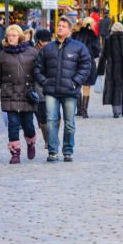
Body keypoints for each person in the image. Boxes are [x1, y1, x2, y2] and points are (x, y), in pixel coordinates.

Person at [34, 17, 92, 162]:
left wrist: (75, 82)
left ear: (70, 30)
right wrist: (44, 82)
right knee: (51, 121)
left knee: (69, 123)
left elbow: (86, 65)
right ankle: (52, 151)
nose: (60, 27)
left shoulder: (78, 47)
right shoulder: (48, 48)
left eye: (63, 26)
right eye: (58, 25)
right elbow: (37, 68)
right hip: (51, 90)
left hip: (69, 90)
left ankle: (68, 150)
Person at [0, 24, 40, 163]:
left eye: (13, 35)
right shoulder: (2, 55)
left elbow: (38, 73)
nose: (10, 38)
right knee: (13, 124)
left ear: (19, 37)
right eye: (8, 36)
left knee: (28, 125)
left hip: (27, 94)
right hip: (10, 94)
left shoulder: (32, 52)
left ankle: (31, 142)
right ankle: (15, 153)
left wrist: (40, 90)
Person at [97, 23, 123, 118]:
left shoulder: (108, 40)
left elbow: (103, 56)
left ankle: (116, 111)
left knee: (114, 88)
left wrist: (100, 70)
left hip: (113, 68)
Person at [73, 17, 100, 118]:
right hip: (88, 63)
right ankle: (84, 111)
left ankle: (79, 110)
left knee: (77, 86)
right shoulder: (93, 36)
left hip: (76, 63)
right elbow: (97, 51)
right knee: (86, 87)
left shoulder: (75, 35)